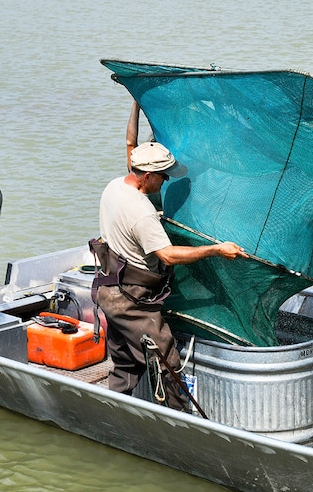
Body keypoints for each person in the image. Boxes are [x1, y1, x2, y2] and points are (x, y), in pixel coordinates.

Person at [91, 129, 245, 408]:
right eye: (163, 176)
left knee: (125, 359)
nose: (166, 181)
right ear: (147, 176)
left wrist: (134, 108)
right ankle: (176, 420)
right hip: (132, 301)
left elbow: (129, 144)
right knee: (166, 362)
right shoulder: (142, 213)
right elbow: (168, 255)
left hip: (107, 290)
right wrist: (216, 249)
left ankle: (115, 409)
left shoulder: (114, 187)